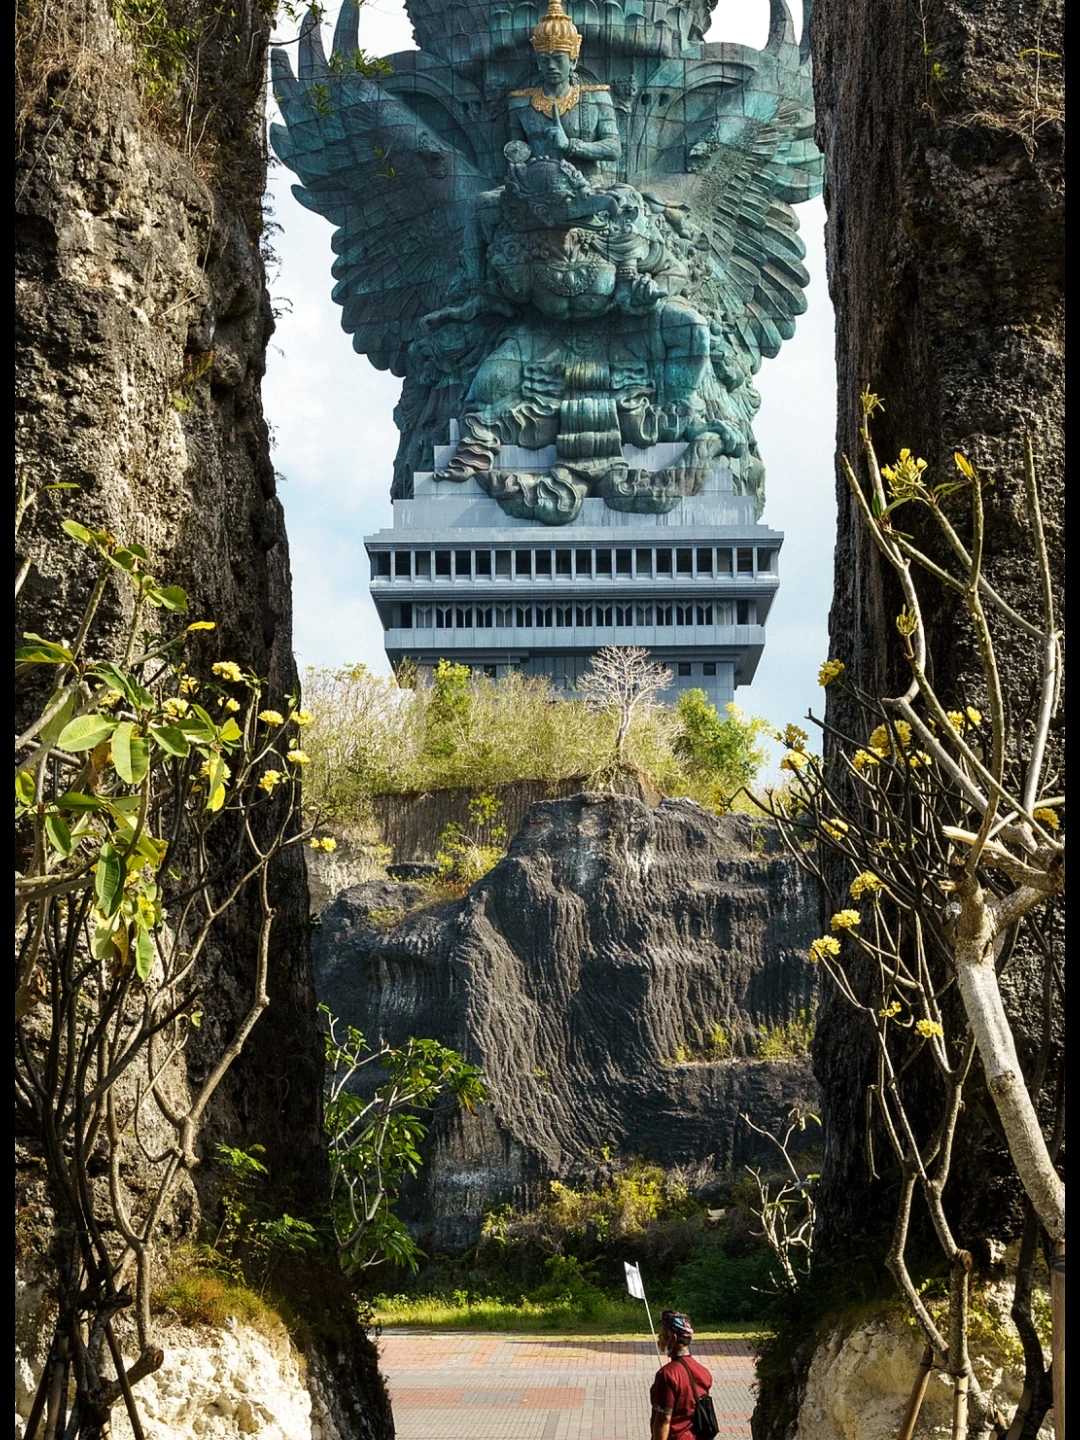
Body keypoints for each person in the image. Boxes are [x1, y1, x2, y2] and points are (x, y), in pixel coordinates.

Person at [649, 1310, 712, 1440]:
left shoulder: (667, 1375)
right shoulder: (703, 1372)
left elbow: (664, 1419)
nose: (659, 1337)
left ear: (673, 1337)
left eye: (662, 1333)